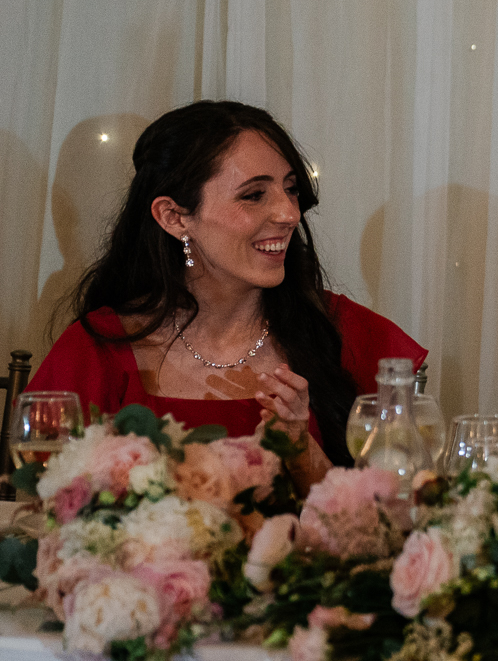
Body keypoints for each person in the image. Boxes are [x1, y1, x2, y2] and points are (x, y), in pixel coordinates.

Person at [28, 101, 425, 491]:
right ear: (174, 217)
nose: (289, 214)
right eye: (254, 195)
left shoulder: (346, 333)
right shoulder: (98, 349)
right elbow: (47, 509)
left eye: (290, 190)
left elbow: (398, 516)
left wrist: (300, 448)